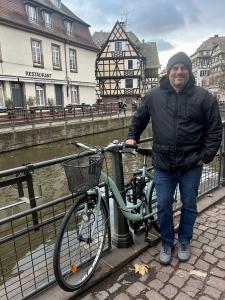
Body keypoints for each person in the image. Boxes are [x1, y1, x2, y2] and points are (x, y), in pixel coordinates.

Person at [126, 52, 222, 265]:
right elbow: (139, 117)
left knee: (189, 205)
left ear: (188, 71)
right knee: (162, 205)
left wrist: (205, 156)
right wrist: (133, 137)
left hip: (192, 164)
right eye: (175, 68)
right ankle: (167, 242)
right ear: (169, 71)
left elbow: (215, 130)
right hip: (164, 164)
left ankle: (185, 239)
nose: (179, 72)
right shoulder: (154, 95)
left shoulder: (203, 97)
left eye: (183, 68)